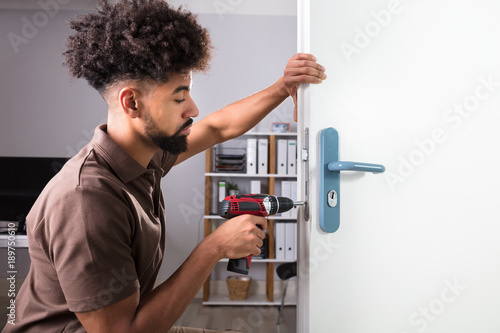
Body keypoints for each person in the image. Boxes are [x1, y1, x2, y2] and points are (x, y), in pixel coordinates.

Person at [3, 0, 326, 332]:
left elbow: (217, 128)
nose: (194, 108)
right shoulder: (87, 201)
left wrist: (282, 88)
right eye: (179, 97)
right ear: (132, 102)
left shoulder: (144, 156)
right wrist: (214, 248)